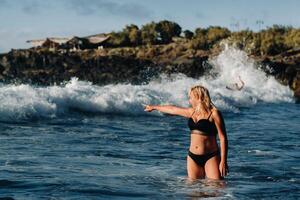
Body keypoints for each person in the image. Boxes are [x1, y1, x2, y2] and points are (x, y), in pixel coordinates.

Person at [144, 85, 229, 180]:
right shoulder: (191, 112)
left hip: (211, 156)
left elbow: (223, 138)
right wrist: (154, 107)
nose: (189, 100)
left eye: (190, 97)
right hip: (192, 157)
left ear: (198, 97)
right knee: (194, 191)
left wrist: (223, 161)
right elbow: (173, 110)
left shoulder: (214, 113)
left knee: (216, 188)